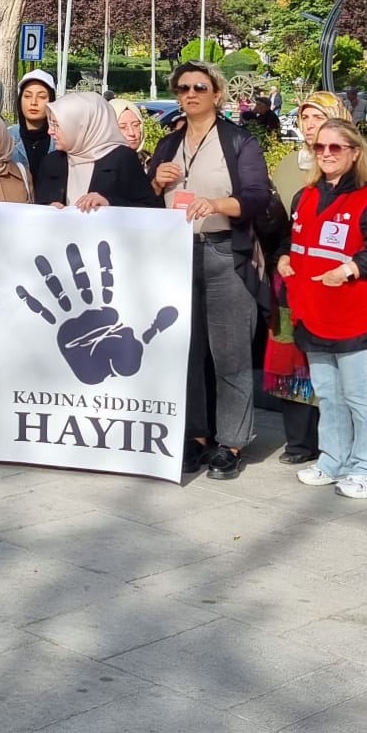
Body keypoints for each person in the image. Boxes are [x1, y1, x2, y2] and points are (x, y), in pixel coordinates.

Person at [145, 59, 273, 480]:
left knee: (230, 353)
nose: (190, 94)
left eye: (199, 87)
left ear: (216, 94)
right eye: (182, 88)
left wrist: (217, 204)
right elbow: (146, 203)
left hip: (224, 251)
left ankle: (232, 442)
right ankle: (197, 436)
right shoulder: (168, 144)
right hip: (177, 255)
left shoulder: (239, 142)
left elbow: (256, 198)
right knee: (186, 351)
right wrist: (156, 183)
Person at [276, 119, 367, 498]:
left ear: (355, 152)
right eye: (320, 147)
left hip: (352, 314)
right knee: (327, 393)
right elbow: (291, 241)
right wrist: (284, 258)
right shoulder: (305, 195)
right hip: (311, 309)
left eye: (335, 148)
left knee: (360, 394)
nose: (325, 154)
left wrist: (350, 268)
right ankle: (333, 459)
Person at [266, 91, 350, 465]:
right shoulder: (288, 166)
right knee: (291, 359)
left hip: (336, 282)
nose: (311, 125)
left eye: (319, 117)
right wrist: (281, 254)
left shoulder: (355, 170)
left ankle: (334, 441)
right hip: (291, 278)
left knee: (330, 365)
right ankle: (299, 442)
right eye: (305, 119)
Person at [34, 92, 153, 209]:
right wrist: (47, 209)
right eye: (51, 124)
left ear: (81, 126)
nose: (50, 131)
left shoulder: (122, 158)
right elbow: (38, 206)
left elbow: (150, 208)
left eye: (57, 125)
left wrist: (109, 203)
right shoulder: (51, 162)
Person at [16, 70, 57, 174]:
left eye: (42, 97)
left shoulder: (61, 139)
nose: (33, 102)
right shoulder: (6, 138)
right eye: (27, 96)